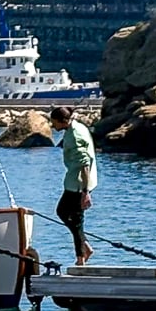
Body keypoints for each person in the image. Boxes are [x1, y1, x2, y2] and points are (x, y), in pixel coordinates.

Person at [49, 105, 96, 266]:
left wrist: (85, 191)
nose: (52, 125)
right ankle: (85, 247)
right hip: (72, 181)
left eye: (54, 122)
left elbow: (85, 164)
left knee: (77, 220)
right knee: (62, 212)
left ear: (62, 121)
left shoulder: (75, 135)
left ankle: (81, 258)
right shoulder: (76, 127)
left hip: (78, 184)